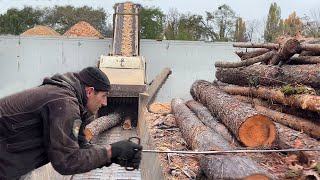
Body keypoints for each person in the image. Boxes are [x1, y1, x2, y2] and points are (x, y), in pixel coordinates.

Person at [0, 66, 143, 180]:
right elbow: (67, 161)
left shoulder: (71, 102)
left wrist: (113, 157)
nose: (105, 103)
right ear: (89, 91)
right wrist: (111, 151)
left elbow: (80, 146)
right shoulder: (64, 103)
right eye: (103, 96)